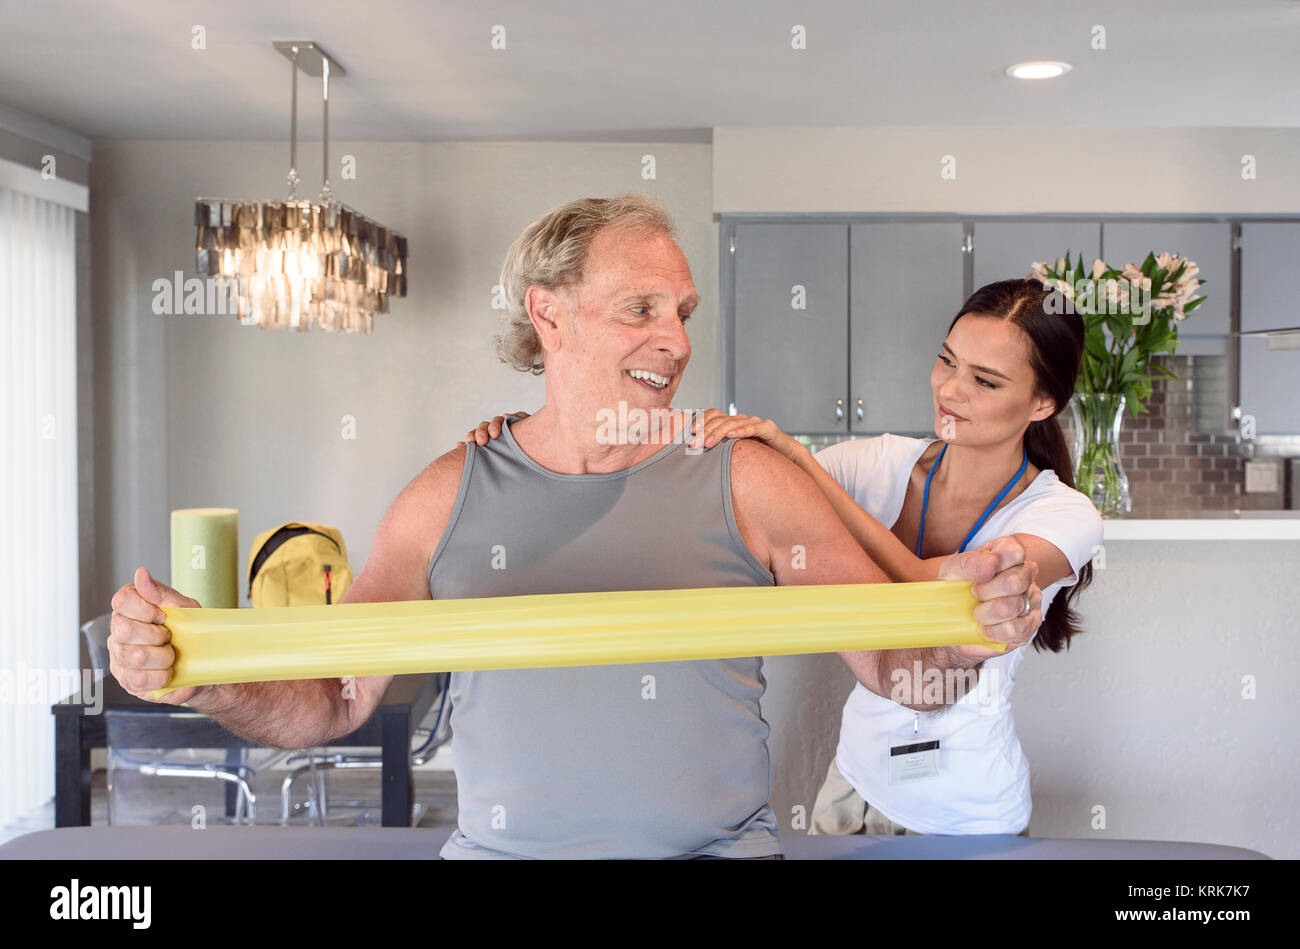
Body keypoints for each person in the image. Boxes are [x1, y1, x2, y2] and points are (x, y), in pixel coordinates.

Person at [109, 194, 1043, 860]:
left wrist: (970, 637)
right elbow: (333, 701)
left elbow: (894, 667)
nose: (675, 340)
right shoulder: (448, 494)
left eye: (681, 312)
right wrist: (200, 674)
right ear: (547, 315)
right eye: (639, 308)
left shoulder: (746, 481)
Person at [468, 279, 1101, 838]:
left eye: (985, 381)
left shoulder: (1065, 516)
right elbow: (730, 496)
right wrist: (545, 442)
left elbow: (940, 589)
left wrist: (806, 470)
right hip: (854, 782)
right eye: (946, 361)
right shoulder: (874, 463)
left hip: (970, 809)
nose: (950, 390)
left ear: (1043, 403)